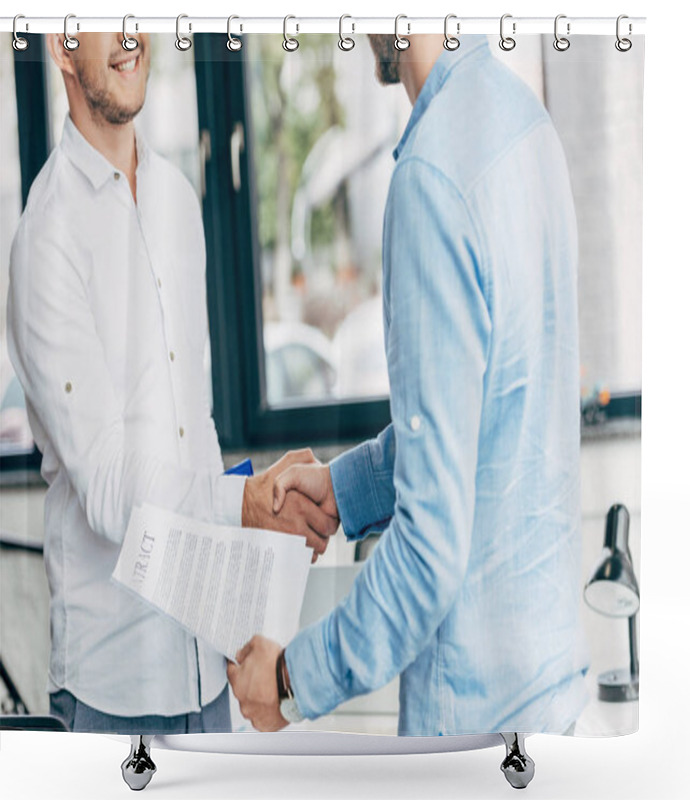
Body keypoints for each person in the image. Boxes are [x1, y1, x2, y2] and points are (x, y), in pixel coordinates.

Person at [227, 34, 590, 736]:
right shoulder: (525, 123)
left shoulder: (430, 177)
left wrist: (289, 680)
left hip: (473, 731)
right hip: (551, 694)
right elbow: (483, 417)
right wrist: (344, 489)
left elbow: (429, 555)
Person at [6, 32, 338, 734]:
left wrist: (243, 599)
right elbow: (107, 485)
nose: (133, 35)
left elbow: (196, 429)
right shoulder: (48, 238)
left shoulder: (179, 200)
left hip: (208, 663)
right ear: (63, 50)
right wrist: (244, 503)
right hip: (113, 688)